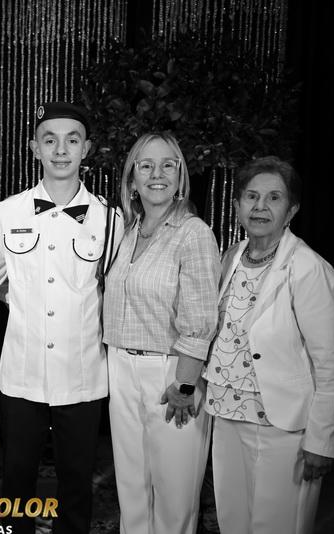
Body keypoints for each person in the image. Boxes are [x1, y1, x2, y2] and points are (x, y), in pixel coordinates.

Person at [0, 102, 123, 534]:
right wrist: (27, 302)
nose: (61, 150)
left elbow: (114, 289)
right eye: (50, 140)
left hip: (81, 373)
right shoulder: (8, 212)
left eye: (72, 140)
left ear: (87, 149)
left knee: (77, 481)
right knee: (16, 479)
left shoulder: (110, 218)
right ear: (35, 148)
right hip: (21, 371)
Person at [203, 156, 334, 534]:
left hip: (283, 427)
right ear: (237, 204)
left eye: (274, 198)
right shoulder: (230, 258)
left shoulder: (308, 268)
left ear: (292, 210)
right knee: (233, 522)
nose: (260, 206)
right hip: (227, 415)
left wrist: (323, 441)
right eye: (251, 196)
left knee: (278, 525)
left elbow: (333, 365)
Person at [103, 132, 220, 534]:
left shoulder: (194, 233)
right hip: (120, 367)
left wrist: (185, 385)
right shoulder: (127, 231)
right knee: (131, 490)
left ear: (180, 176)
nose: (157, 174)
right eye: (146, 165)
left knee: (174, 497)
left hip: (171, 373)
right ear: (132, 178)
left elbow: (201, 318)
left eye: (168, 165)